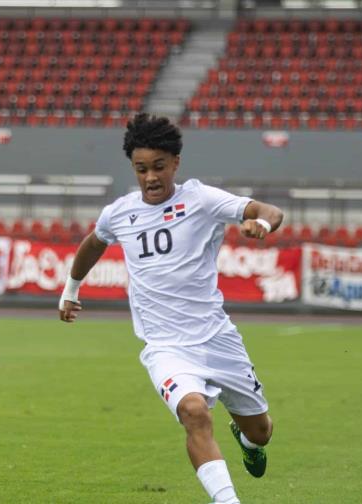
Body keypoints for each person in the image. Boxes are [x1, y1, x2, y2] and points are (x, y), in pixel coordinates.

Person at [58, 114, 283, 504]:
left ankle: (247, 441)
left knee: (261, 430)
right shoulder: (120, 213)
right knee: (194, 413)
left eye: (159, 167)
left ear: (175, 163)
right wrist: (71, 288)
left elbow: (269, 211)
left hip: (217, 340)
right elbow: (94, 243)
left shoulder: (201, 199)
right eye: (141, 169)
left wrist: (260, 224)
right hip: (166, 347)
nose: (150, 177)